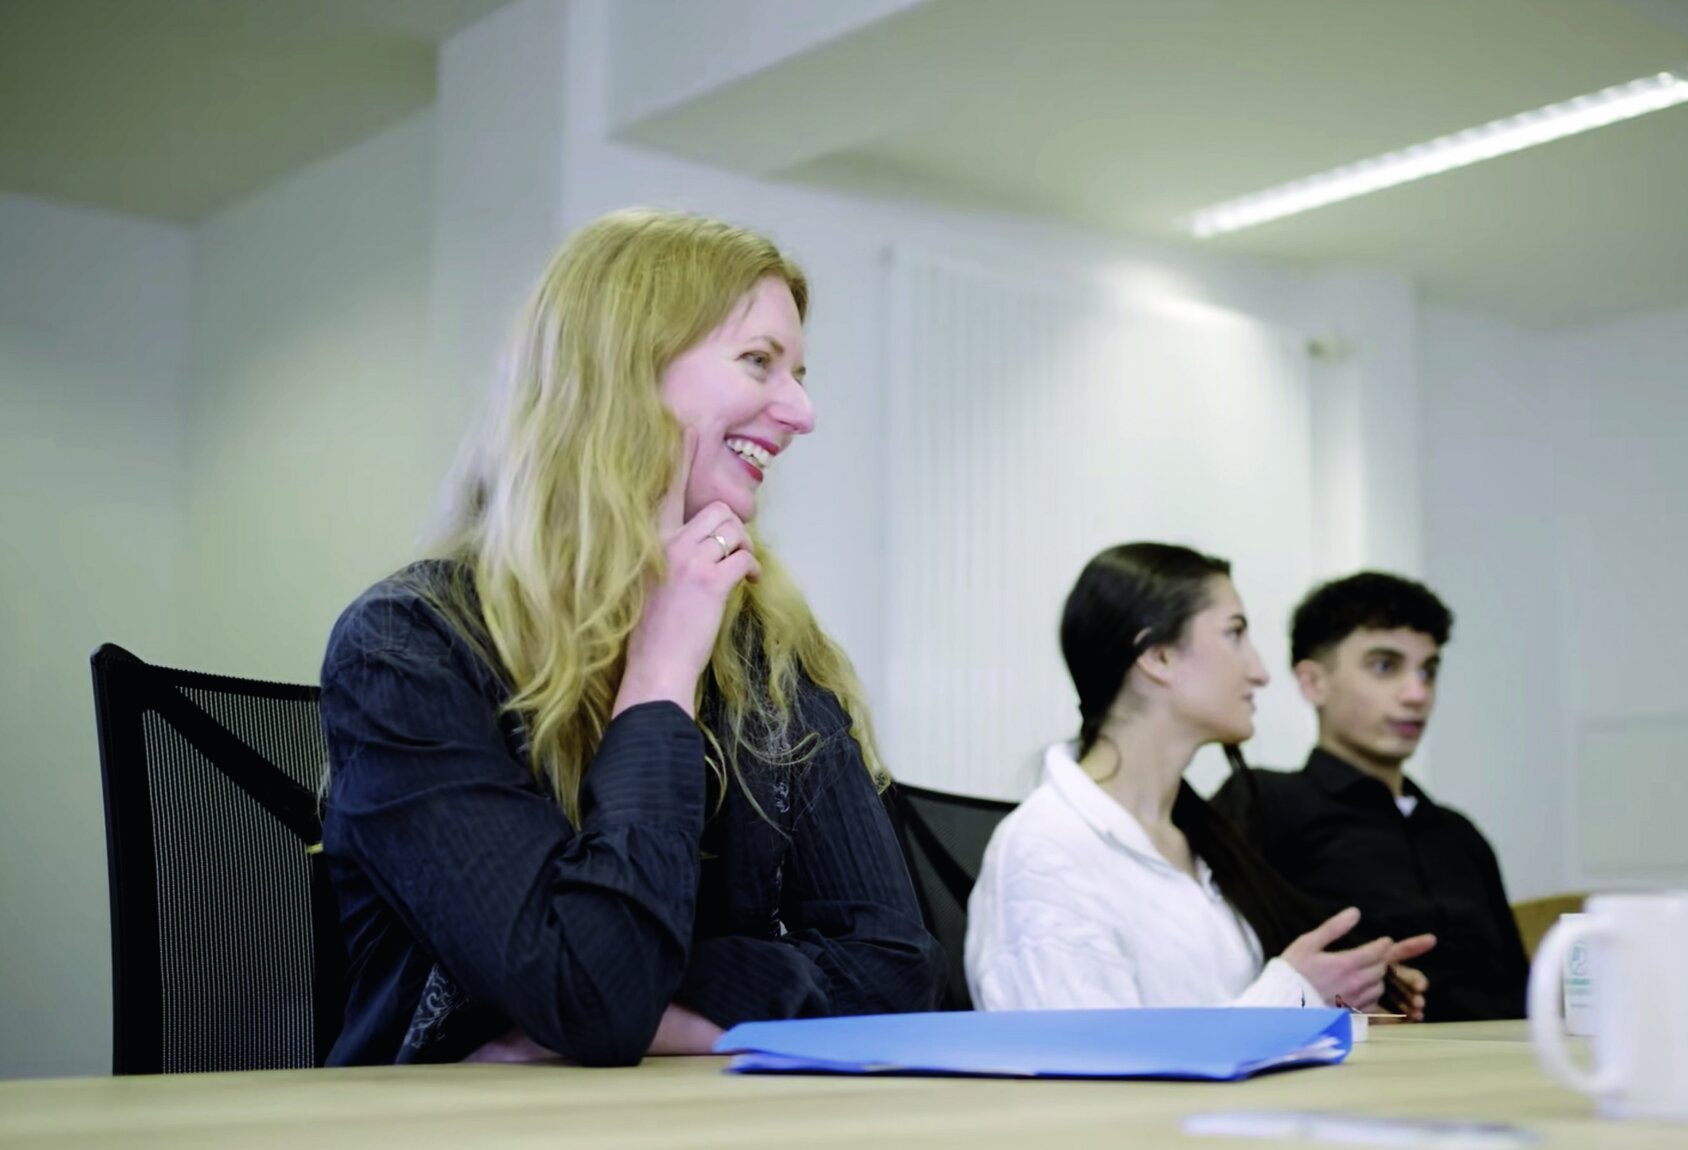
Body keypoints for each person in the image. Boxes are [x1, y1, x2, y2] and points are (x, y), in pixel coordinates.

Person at [317, 209, 944, 1067]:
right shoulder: (411, 648)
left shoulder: (766, 647)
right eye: (760, 362)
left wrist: (646, 1015)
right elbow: (589, 994)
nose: (802, 411)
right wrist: (659, 672)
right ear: (623, 373)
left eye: (798, 372)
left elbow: (896, 972)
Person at [964, 543, 1434, 1012]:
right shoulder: (1045, 848)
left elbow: (1231, 1020)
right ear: (1158, 657)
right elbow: (1085, 1067)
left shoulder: (1199, 840)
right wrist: (1297, 994)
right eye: (1234, 635)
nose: (1261, 673)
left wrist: (1342, 1001)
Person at [1213, 572, 1528, 1021]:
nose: (1417, 694)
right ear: (1313, 682)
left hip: (1512, 1069)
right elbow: (1220, 966)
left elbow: (1524, 993)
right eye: (1385, 666)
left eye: (1429, 671)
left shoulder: (1460, 836)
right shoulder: (1263, 801)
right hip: (1361, 1072)